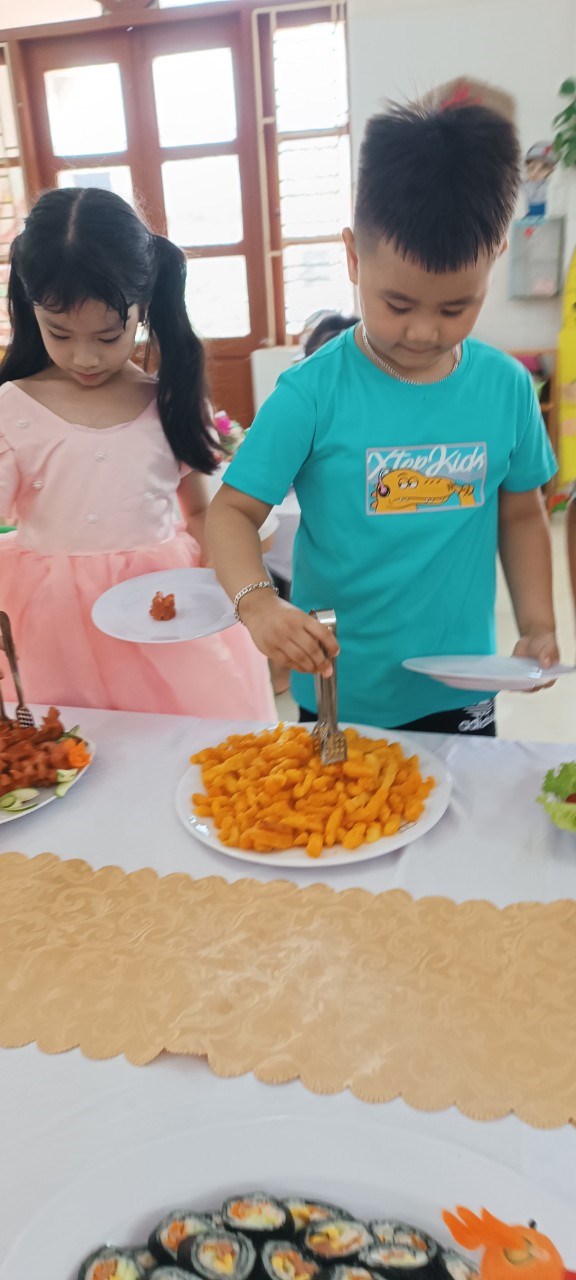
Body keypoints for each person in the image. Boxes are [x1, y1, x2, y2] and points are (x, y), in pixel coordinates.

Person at [207, 88, 558, 736]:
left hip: (463, 680)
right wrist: (258, 604)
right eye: (397, 304)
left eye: (455, 307)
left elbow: (521, 512)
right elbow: (232, 512)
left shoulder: (506, 387)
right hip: (341, 685)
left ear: (493, 260)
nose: (424, 331)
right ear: (352, 256)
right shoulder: (312, 392)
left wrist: (538, 623)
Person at [0, 187, 275, 717]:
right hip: (52, 624)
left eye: (108, 336)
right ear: (31, 310)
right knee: (74, 740)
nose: (85, 357)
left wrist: (214, 580)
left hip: (161, 609)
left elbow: (199, 511)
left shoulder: (168, 401)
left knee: (181, 739)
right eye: (60, 333)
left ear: (143, 309)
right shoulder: (13, 408)